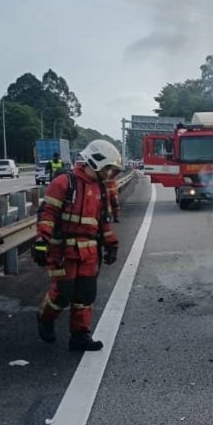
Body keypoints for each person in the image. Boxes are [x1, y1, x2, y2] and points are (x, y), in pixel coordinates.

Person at [34, 139, 121, 351]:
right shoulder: (64, 183)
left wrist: (111, 244)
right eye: (108, 168)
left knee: (86, 295)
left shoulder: (101, 189)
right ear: (96, 162)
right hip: (63, 251)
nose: (110, 173)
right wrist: (41, 241)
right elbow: (48, 214)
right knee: (63, 294)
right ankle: (45, 317)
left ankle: (80, 336)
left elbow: (104, 221)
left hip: (89, 252)